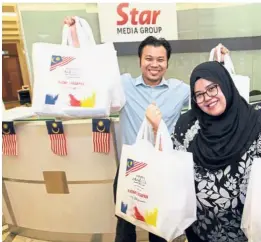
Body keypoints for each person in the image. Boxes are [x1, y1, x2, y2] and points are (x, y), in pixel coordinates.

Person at [64, 16, 230, 242]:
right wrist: (75, 35)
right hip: (130, 169)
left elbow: (209, 91)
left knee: (158, 227)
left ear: (167, 63)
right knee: (125, 225)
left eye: (160, 59)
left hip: (163, 170)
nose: (155, 64)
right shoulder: (123, 85)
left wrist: (220, 63)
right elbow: (89, 72)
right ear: (139, 60)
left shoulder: (180, 90)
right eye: (149, 58)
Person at [147, 61, 261, 242]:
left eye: (212, 88)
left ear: (225, 84)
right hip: (201, 232)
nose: (207, 97)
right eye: (199, 95)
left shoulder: (259, 124)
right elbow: (172, 170)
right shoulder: (187, 125)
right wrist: (156, 130)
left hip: (248, 234)